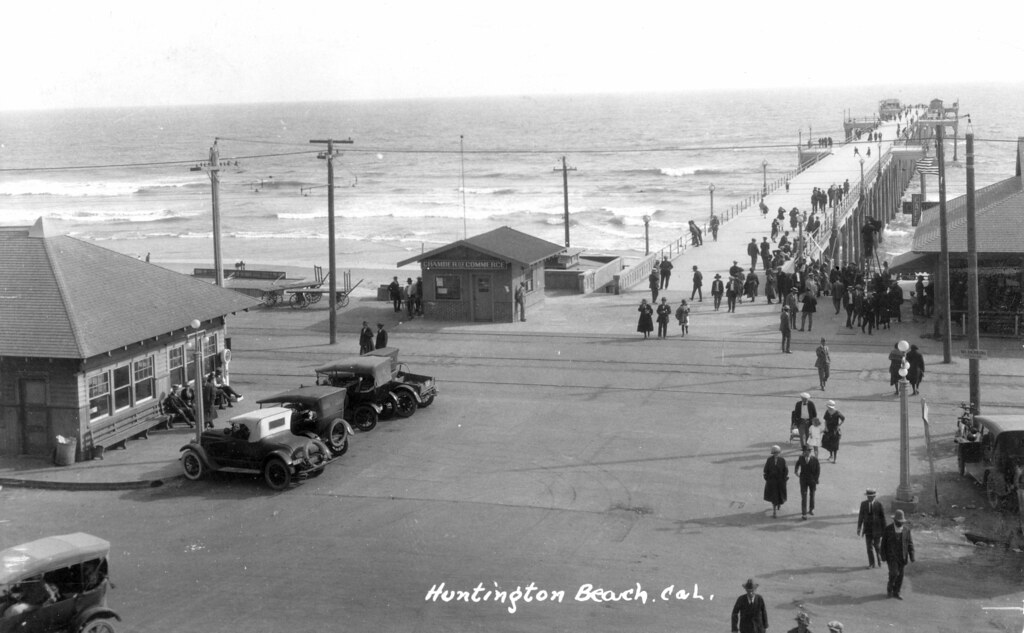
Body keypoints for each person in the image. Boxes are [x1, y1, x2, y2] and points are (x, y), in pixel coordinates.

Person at [880, 509, 915, 599]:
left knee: (900, 576)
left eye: (902, 521)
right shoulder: (888, 529)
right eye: (899, 521)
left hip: (902, 557)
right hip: (891, 557)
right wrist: (883, 556)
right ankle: (890, 589)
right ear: (894, 520)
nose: (901, 523)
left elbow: (910, 544)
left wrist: (912, 556)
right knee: (894, 573)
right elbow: (883, 544)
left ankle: (897, 592)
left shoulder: (906, 530)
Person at [857, 488, 887, 569]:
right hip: (868, 530)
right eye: (868, 496)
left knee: (877, 546)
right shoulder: (863, 504)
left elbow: (883, 518)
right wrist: (859, 528)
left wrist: (885, 531)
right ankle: (871, 563)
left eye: (870, 496)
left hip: (877, 530)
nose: (869, 498)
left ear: (874, 496)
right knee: (869, 547)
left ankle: (879, 558)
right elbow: (861, 516)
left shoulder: (879, 505)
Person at [794, 446, 819, 521]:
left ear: (809, 452)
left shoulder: (814, 460)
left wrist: (816, 479)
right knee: (804, 496)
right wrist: (796, 471)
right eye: (804, 451)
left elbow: (818, 470)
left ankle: (811, 509)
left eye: (807, 451)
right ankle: (804, 513)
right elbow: (797, 464)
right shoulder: (801, 458)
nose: (805, 453)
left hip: (812, 481)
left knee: (812, 495)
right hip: (803, 480)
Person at [763, 445, 788, 518]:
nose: (776, 454)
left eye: (777, 453)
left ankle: (779, 503)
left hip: (780, 481)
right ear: (772, 453)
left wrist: (784, 479)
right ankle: (774, 512)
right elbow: (766, 470)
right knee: (774, 497)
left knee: (780, 495)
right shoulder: (769, 460)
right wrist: (767, 478)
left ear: (779, 453)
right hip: (772, 481)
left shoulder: (782, 460)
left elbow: (786, 470)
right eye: (774, 453)